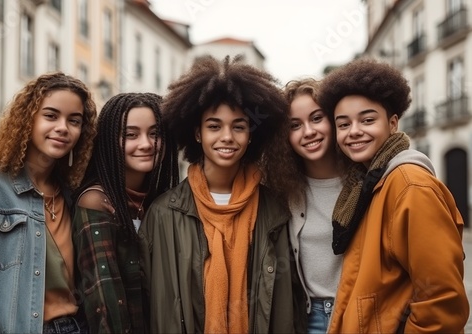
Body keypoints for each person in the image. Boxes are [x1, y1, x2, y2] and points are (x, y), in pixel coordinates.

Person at [138, 55, 306, 333]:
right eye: (214, 126)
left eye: (238, 126)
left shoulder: (275, 209)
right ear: (197, 133)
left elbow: (290, 301)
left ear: (250, 135)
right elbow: (152, 302)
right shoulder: (163, 213)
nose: (227, 136)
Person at [316, 57, 469, 333]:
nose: (355, 132)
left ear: (393, 123)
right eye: (343, 124)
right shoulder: (368, 183)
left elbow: (442, 302)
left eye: (367, 119)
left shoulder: (409, 185)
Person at [0, 72, 97, 333]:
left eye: (74, 121)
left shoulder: (74, 196)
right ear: (27, 120)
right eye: (51, 116)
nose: (63, 127)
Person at [72, 92, 179, 333]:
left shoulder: (161, 201)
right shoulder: (96, 201)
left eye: (155, 133)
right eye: (131, 135)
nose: (146, 143)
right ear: (111, 140)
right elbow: (105, 301)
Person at [283, 78, 344, 333]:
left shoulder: (368, 181)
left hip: (360, 311)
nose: (308, 131)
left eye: (317, 118)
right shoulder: (281, 190)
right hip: (310, 319)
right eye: (295, 125)